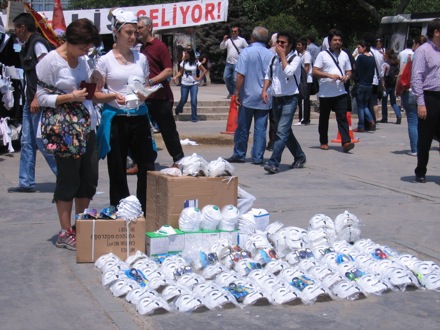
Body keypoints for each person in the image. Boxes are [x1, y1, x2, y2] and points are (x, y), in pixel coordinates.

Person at [36, 18, 101, 250]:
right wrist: (71, 97)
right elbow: (41, 98)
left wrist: (95, 83)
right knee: (68, 178)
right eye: (83, 47)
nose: (86, 51)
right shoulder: (51, 62)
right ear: (71, 41)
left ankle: (80, 225)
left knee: (88, 178)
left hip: (86, 124)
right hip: (64, 129)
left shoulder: (83, 60)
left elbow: (87, 90)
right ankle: (65, 231)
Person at [95, 9, 156, 213]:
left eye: (135, 33)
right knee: (117, 167)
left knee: (147, 164)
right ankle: (121, 209)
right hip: (117, 118)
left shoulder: (142, 59)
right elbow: (94, 94)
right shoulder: (105, 61)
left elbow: (146, 85)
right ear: (116, 32)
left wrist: (145, 93)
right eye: (128, 32)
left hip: (139, 116)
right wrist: (112, 96)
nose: (133, 37)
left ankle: (146, 208)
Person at [7, 13, 57, 193]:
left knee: (42, 140)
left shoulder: (37, 44)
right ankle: (26, 182)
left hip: (39, 99)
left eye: (16, 29)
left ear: (22, 27)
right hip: (30, 99)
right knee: (27, 141)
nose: (15, 33)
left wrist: (37, 96)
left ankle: (66, 176)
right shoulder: (27, 46)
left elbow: (45, 72)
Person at [137, 16, 185, 168]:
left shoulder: (159, 46)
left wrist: (151, 81)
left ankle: (178, 160)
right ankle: (142, 161)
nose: (137, 31)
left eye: (140, 28)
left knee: (167, 130)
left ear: (149, 28)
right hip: (144, 97)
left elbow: (169, 70)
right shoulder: (139, 48)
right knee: (140, 132)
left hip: (160, 96)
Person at [226, 26, 273, 164]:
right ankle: (258, 157)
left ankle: (239, 154)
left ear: (252, 37)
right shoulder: (270, 54)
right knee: (261, 128)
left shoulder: (246, 52)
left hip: (248, 95)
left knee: (243, 127)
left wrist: (237, 92)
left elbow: (240, 75)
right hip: (265, 96)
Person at [262, 31, 306, 174]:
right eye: (278, 42)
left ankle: (273, 162)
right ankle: (299, 156)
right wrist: (264, 90)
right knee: (285, 131)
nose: (279, 45)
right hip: (276, 98)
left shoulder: (296, 59)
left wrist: (282, 56)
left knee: (281, 132)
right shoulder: (273, 59)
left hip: (290, 98)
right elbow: (269, 75)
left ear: (290, 45)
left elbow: (288, 72)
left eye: (283, 43)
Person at [312, 29, 354, 153]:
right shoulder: (322, 55)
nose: (337, 42)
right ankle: (323, 141)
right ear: (329, 41)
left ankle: (346, 141)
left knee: (342, 117)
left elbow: (349, 70)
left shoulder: (345, 55)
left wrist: (347, 76)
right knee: (324, 118)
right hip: (326, 93)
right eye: (335, 40)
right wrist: (329, 75)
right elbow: (315, 71)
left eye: (339, 40)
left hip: (340, 92)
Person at [410, 19, 440, 183]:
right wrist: (421, 103)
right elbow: (417, 77)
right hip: (429, 97)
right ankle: (421, 171)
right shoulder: (423, 51)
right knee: (425, 138)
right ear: (436, 32)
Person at [397, 36, 427, 157]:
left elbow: (400, 74)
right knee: (422, 123)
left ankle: (414, 149)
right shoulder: (431, 56)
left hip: (409, 91)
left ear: (417, 44)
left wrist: (397, 89)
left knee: (412, 122)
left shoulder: (411, 57)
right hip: (425, 93)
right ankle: (422, 147)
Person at [172, 48, 207, 122]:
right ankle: (178, 108)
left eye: (186, 53)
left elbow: (204, 70)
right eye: (185, 53)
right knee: (183, 99)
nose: (185, 55)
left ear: (190, 54)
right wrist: (175, 77)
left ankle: (194, 117)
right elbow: (181, 72)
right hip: (185, 83)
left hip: (194, 84)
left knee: (193, 100)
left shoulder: (196, 62)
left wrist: (199, 78)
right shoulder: (184, 62)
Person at [353, 41, 376, 133]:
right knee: (365, 105)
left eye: (359, 47)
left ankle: (361, 126)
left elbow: (356, 69)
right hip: (369, 85)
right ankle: (371, 120)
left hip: (361, 84)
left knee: (360, 106)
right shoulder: (372, 58)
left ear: (364, 47)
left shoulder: (360, 57)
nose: (358, 49)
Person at [219, 26, 248, 98]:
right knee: (226, 77)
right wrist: (223, 41)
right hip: (229, 63)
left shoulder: (242, 40)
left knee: (235, 79)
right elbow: (221, 47)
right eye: (232, 31)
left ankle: (236, 94)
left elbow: (247, 49)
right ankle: (232, 92)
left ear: (238, 32)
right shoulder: (229, 41)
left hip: (237, 63)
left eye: (235, 31)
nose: (233, 33)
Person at [294, 38, 312, 126]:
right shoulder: (301, 55)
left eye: (299, 45)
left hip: (306, 81)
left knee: (304, 100)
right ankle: (303, 118)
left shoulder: (306, 55)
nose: (298, 46)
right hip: (302, 80)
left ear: (304, 46)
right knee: (301, 100)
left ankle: (304, 119)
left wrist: (303, 78)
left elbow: (307, 67)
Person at [381, 48, 401, 124]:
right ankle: (398, 115)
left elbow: (382, 74)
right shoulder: (396, 62)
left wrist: (382, 83)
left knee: (384, 102)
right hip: (394, 84)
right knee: (393, 102)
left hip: (387, 84)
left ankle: (384, 118)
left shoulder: (386, 63)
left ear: (387, 54)